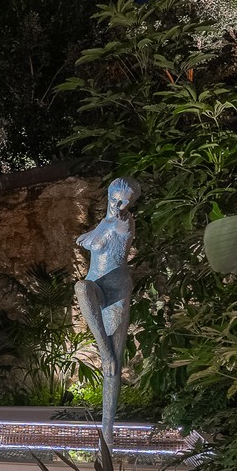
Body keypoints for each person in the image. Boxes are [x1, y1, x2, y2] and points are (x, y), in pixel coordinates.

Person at [75, 178, 137, 445]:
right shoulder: (104, 221)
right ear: (109, 195)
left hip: (116, 289)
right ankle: (103, 347)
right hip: (96, 285)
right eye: (116, 198)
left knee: (112, 365)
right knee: (81, 287)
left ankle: (107, 432)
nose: (119, 205)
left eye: (126, 202)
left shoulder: (125, 222)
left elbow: (120, 235)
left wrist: (121, 222)